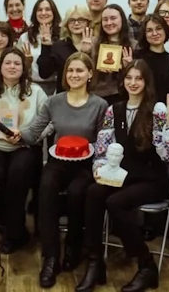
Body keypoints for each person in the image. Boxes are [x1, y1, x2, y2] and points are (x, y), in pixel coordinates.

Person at [75, 60, 169, 292]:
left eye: (139, 78)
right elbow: (103, 146)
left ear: (146, 82)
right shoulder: (114, 109)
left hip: (152, 180)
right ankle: (95, 262)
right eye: (129, 78)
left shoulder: (157, 110)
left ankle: (146, 266)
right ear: (123, 81)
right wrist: (99, 167)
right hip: (123, 176)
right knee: (93, 192)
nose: (133, 83)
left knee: (116, 202)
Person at [14, 52, 108, 289]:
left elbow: (104, 142)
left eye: (79, 70)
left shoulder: (100, 105)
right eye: (70, 71)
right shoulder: (53, 102)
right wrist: (17, 134)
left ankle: (74, 247)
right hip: (58, 161)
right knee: (46, 188)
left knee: (77, 192)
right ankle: (51, 258)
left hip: (86, 164)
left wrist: (95, 159)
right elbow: (34, 132)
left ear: (89, 74)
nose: (74, 75)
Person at [0, 47, 47, 253]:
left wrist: (26, 135)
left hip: (25, 146)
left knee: (17, 175)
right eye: (8, 63)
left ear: (23, 68)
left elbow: (48, 124)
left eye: (17, 63)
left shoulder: (36, 92)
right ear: (0, 67)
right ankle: (10, 226)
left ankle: (14, 234)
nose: (12, 66)